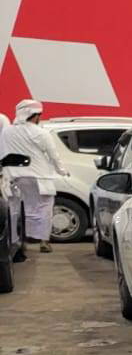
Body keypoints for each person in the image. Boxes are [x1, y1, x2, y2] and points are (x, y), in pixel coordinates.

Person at [2, 99, 68, 253]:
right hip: (39, 178)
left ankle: (15, 242)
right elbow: (54, 155)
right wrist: (62, 171)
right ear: (35, 115)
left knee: (14, 210)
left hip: (12, 177)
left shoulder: (6, 132)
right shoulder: (41, 133)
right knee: (43, 208)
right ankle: (43, 241)